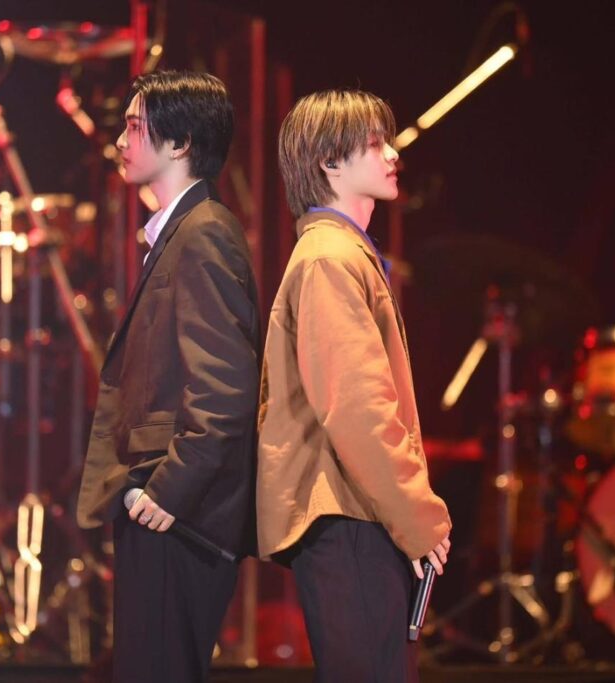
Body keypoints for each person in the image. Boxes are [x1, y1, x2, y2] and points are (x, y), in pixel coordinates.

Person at [257, 89, 452, 683]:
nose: (392, 154)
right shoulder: (329, 258)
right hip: (350, 514)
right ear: (329, 162)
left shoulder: (339, 253)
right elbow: (356, 407)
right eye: (374, 143)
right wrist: (417, 515)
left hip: (357, 510)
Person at [76, 70, 260, 683]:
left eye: (135, 126)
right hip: (164, 510)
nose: (120, 141)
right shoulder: (182, 232)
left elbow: (225, 390)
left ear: (180, 143)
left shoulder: (204, 234)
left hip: (179, 517)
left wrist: (165, 493)